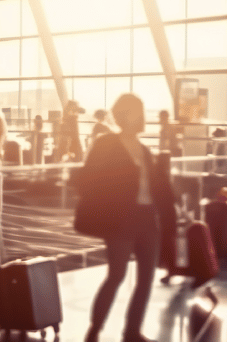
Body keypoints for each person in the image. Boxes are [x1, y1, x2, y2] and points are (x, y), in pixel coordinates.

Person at [80, 94, 175, 342]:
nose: (143, 116)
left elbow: (157, 187)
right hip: (120, 220)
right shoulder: (106, 144)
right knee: (117, 274)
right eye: (139, 111)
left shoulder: (144, 150)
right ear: (126, 114)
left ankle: (132, 331)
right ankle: (95, 329)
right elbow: (89, 178)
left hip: (147, 218)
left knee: (146, 277)